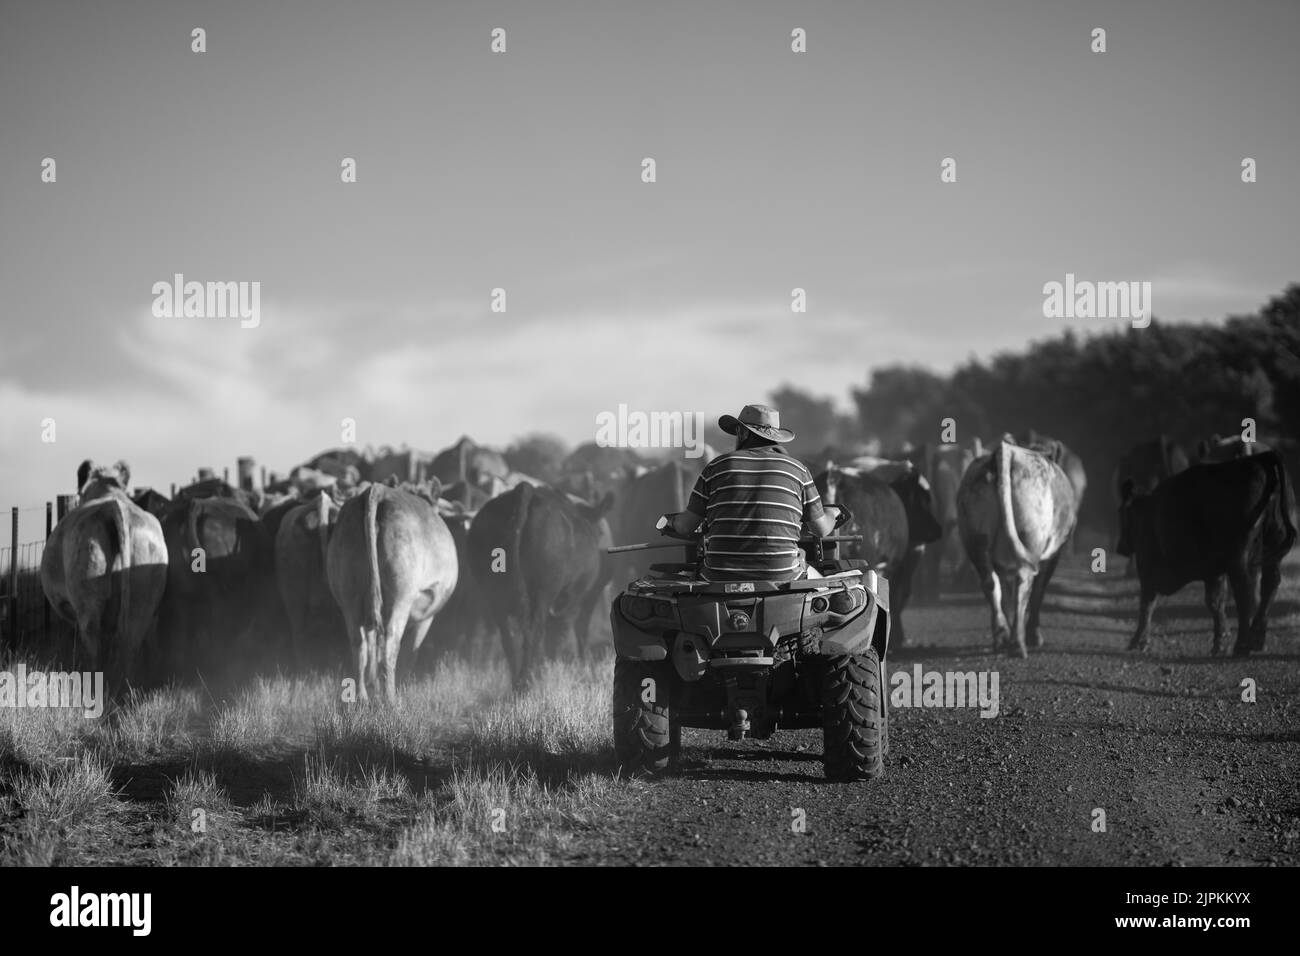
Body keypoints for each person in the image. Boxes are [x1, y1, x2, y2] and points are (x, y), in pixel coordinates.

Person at [666, 404, 839, 582]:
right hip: (783, 577)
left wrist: (671, 522)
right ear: (776, 436)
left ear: (743, 433)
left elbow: (685, 526)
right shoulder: (798, 470)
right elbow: (821, 529)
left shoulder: (716, 467)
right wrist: (833, 513)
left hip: (719, 577)